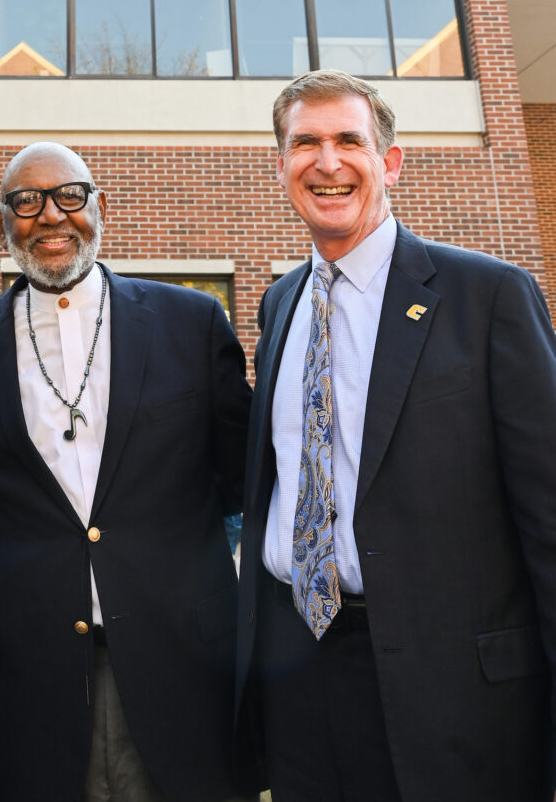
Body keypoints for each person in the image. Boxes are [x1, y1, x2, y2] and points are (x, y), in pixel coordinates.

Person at [235, 69, 556, 802]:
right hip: (297, 673)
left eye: (349, 140)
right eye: (305, 143)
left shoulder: (488, 296)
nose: (327, 162)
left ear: (390, 161)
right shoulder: (280, 304)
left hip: (452, 692)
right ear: (281, 165)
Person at [0, 142, 252, 802]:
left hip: (184, 664)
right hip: (28, 678)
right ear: (1, 222)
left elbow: (241, 476)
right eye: (26, 201)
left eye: (70, 195)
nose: (51, 215)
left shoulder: (192, 322)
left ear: (100, 207)